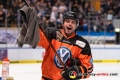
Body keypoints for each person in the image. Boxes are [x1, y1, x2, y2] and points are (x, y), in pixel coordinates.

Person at [37, 11, 93, 80]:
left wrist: (77, 71)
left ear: (76, 25)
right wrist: (36, 28)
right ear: (63, 23)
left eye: (73, 22)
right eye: (67, 21)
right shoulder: (53, 34)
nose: (70, 24)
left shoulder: (83, 44)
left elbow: (89, 69)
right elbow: (39, 41)